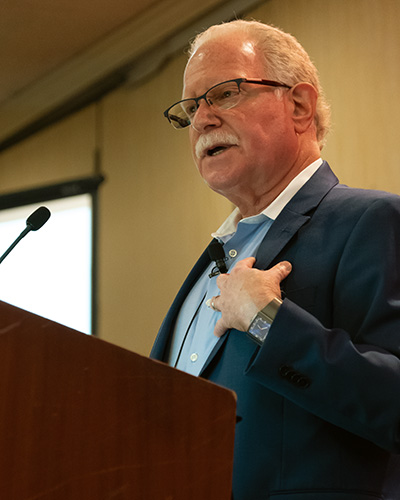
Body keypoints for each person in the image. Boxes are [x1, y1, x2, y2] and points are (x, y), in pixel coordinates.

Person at [150, 19, 400, 500]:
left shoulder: (371, 222)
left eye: (224, 94)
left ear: (300, 106)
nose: (201, 120)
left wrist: (269, 321)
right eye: (191, 107)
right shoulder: (212, 263)